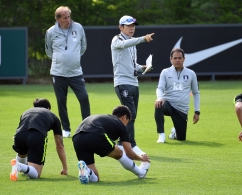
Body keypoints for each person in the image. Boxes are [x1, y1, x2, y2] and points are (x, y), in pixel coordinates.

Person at [72, 105, 150, 184]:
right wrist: (141, 158)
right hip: (96, 134)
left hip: (77, 138)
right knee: (119, 153)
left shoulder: (106, 119)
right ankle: (141, 173)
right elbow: (129, 154)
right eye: (127, 122)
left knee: (95, 178)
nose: (126, 125)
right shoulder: (121, 125)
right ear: (124, 117)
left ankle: (87, 171)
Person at [111, 15, 154, 154]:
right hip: (122, 82)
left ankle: (121, 142)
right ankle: (130, 143)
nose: (132, 28)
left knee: (131, 116)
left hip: (134, 82)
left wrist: (143, 68)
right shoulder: (117, 39)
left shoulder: (131, 42)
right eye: (128, 26)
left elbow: (131, 64)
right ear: (120, 27)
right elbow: (124, 45)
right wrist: (142, 39)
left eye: (133, 26)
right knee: (130, 114)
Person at [45, 6, 90, 138]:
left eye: (69, 16)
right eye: (65, 18)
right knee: (61, 101)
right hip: (58, 73)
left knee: (84, 97)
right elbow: (48, 51)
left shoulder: (78, 27)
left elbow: (83, 46)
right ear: (58, 19)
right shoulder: (50, 32)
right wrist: (61, 60)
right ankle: (66, 128)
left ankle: (87, 126)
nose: (68, 20)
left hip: (76, 72)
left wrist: (73, 58)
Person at [10, 98, 68, 181]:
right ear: (48, 108)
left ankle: (18, 166)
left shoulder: (26, 112)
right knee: (36, 174)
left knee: (22, 153)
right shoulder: (52, 115)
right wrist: (65, 168)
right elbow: (59, 145)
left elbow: (20, 127)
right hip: (36, 136)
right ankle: (19, 166)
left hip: (19, 135)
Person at [155, 48, 200, 143]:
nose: (177, 60)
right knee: (158, 105)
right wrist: (159, 98)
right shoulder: (165, 72)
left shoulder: (191, 73)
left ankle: (174, 133)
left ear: (184, 59)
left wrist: (197, 111)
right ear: (171, 59)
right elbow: (160, 88)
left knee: (181, 138)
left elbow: (196, 93)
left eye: (180, 58)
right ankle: (161, 135)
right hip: (169, 105)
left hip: (182, 109)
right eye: (175, 58)